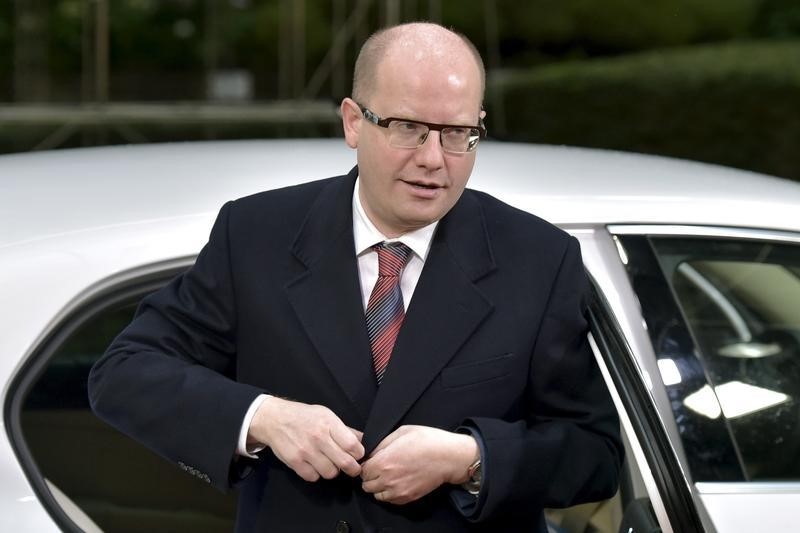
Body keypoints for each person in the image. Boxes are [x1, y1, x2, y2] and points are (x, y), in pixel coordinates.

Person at [89, 22, 623, 533]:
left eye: (458, 133)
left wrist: (471, 459)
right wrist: (265, 418)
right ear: (353, 122)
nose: (434, 160)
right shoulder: (255, 236)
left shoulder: (539, 259)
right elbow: (125, 373)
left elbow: (593, 452)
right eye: (409, 128)